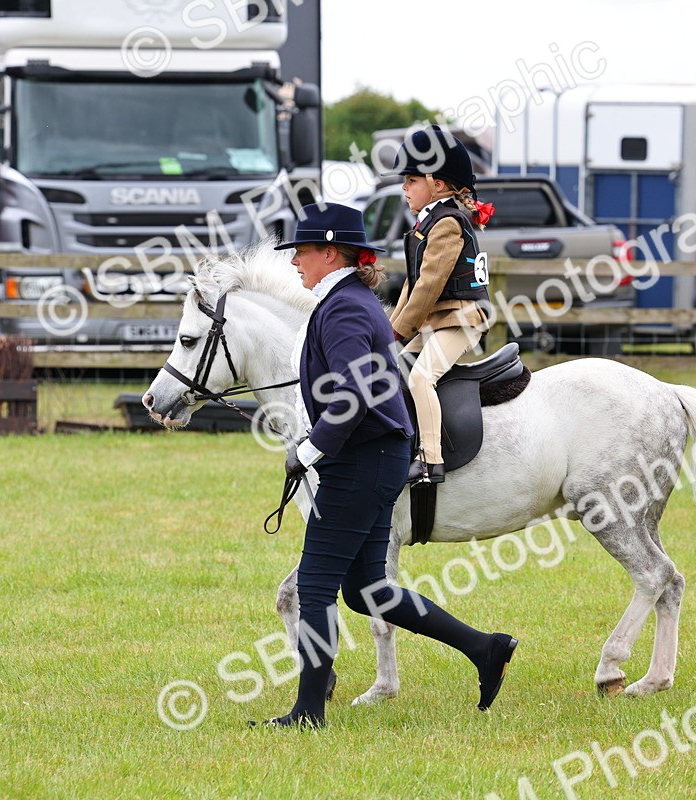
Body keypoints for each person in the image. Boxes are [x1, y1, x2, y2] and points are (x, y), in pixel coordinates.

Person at [259, 202, 516, 728]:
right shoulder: (346, 300)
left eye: (302, 253)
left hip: (362, 459)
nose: (294, 263)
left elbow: (353, 391)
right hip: (374, 455)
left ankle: (308, 712)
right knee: (366, 591)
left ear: (330, 253)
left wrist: (310, 449)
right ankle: (485, 648)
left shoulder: (346, 308)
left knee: (315, 584)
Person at [388, 126, 495, 484]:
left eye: (411, 179)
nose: (404, 187)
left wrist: (402, 328)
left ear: (436, 184)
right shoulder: (428, 221)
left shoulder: (447, 222)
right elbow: (412, 282)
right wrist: (391, 327)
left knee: (421, 378)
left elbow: (430, 285)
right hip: (440, 318)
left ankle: (430, 460)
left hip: (462, 317)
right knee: (395, 367)